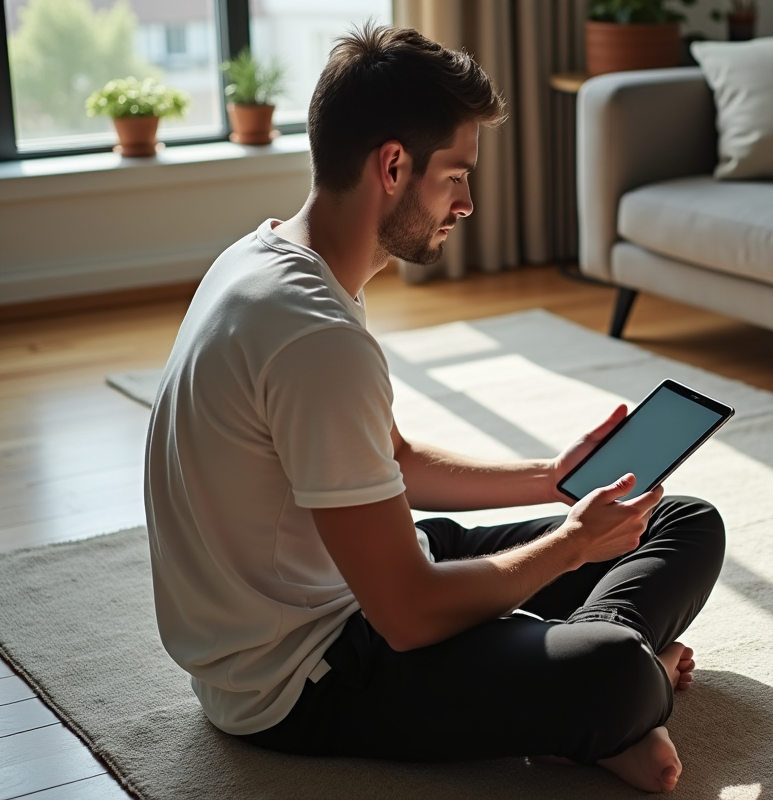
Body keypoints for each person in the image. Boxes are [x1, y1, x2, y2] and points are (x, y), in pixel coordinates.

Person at [144, 23, 725, 794]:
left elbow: (396, 461)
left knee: (683, 522)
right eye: (455, 175)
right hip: (305, 671)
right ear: (393, 166)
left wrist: (551, 479)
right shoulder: (314, 337)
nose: (468, 203)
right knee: (615, 671)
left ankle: (582, 684)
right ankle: (606, 686)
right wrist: (568, 547)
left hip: (357, 578)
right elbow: (409, 615)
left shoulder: (269, 258)